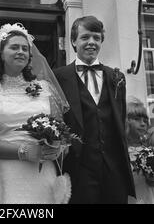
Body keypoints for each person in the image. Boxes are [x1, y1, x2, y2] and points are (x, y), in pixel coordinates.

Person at [0, 23, 71, 204]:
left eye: (25, 48)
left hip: (41, 174)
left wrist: (57, 147)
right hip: (0, 173)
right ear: (1, 54)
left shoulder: (45, 88)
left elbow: (61, 131)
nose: (20, 51)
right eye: (14, 47)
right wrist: (24, 151)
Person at [55, 15, 135, 204]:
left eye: (96, 38)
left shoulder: (116, 77)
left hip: (114, 169)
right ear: (73, 41)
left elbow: (120, 120)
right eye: (85, 37)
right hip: (78, 169)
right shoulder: (59, 77)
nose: (91, 42)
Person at [126, 96, 154, 204]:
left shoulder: (149, 148)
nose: (143, 124)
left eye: (145, 120)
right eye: (137, 119)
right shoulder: (120, 151)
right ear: (126, 121)